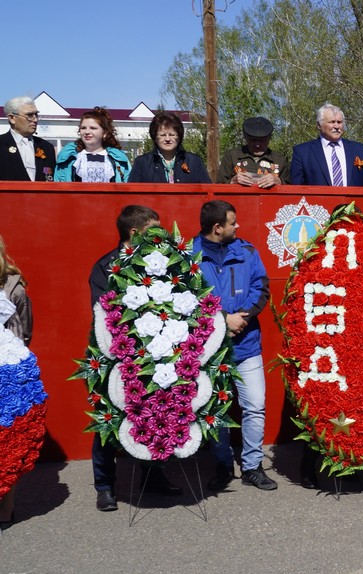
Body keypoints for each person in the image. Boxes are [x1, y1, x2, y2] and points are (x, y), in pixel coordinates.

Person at [88, 206, 183, 512]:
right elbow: (106, 312)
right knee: (110, 419)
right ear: (134, 234)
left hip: (156, 354)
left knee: (155, 414)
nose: (162, 235)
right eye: (155, 229)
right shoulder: (106, 268)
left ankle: (152, 475)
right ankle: (105, 486)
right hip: (116, 356)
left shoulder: (159, 265)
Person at [195, 200, 277, 491]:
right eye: (233, 222)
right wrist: (221, 320)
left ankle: (253, 466)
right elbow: (184, 300)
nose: (237, 226)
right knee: (215, 410)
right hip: (209, 350)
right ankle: (222, 465)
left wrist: (242, 318)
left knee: (255, 406)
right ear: (218, 228)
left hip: (246, 345)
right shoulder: (187, 256)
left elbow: (261, 287)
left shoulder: (247, 251)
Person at [0, 235, 32, 530]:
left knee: (5, 440)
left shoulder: (13, 286)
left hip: (6, 369)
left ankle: (6, 508)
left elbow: (25, 326)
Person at [290, 103, 363, 187]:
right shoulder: (303, 153)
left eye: (339, 122)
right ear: (319, 125)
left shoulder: (359, 150)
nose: (336, 126)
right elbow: (296, 189)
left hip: (354, 201)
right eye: (332, 122)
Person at [127, 112, 211, 183]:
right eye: (162, 135)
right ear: (155, 138)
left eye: (172, 134)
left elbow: (207, 192)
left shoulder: (194, 162)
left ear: (179, 136)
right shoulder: (142, 163)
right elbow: (132, 195)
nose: (167, 139)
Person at [54, 107, 131, 183]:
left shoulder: (119, 159)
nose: (87, 132)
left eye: (93, 128)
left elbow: (128, 185)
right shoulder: (68, 158)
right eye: (83, 128)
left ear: (105, 133)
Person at [218, 116, 290, 187]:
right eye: (253, 140)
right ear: (245, 137)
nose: (257, 145)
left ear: (269, 138)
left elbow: (291, 188)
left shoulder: (279, 160)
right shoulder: (232, 157)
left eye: (262, 140)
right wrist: (233, 181)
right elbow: (218, 187)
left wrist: (279, 181)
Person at [1, 96, 55, 181]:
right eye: (29, 115)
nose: (35, 120)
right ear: (12, 118)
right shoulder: (2, 144)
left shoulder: (47, 148)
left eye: (36, 114)